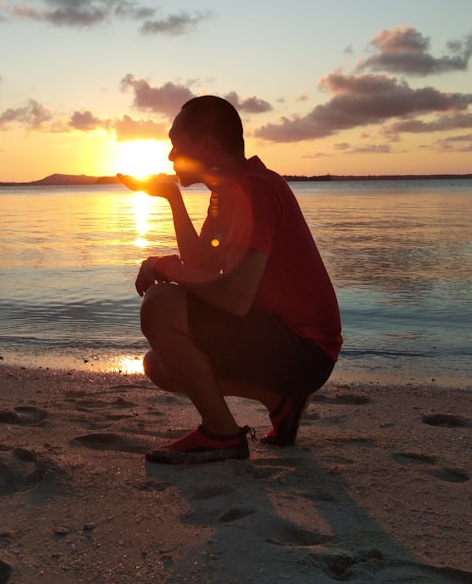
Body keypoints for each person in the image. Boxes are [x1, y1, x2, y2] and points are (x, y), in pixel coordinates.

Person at [119, 95, 342, 464]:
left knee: (159, 305)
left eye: (175, 144)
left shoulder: (253, 189)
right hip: (285, 340)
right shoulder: (227, 193)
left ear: (206, 143)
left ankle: (221, 435)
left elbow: (236, 297)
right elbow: (203, 264)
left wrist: (163, 266)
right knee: (158, 365)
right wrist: (173, 199)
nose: (170, 157)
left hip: (305, 349)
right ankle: (280, 402)